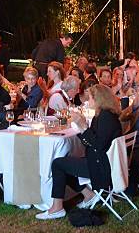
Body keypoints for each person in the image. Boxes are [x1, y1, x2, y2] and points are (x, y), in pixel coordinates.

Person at [36, 84, 122, 220]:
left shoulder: (106, 118)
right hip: (103, 161)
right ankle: (89, 195)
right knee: (66, 160)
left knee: (58, 164)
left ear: (98, 99)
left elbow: (97, 145)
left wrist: (82, 126)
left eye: (91, 98)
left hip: (102, 168)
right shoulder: (105, 115)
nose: (88, 102)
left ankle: (57, 208)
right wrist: (82, 128)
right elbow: (93, 140)